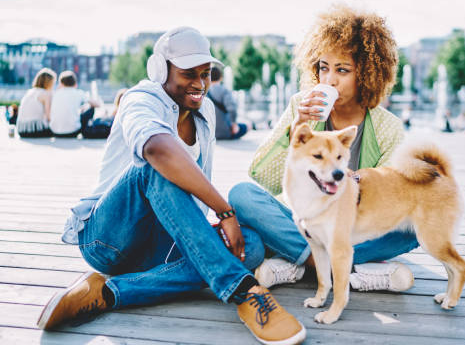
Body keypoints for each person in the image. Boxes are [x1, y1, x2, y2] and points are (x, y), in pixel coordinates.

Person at [37, 27, 306, 345]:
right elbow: (158, 150)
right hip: (108, 239)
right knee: (156, 169)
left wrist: (214, 224)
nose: (199, 84)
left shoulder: (202, 108)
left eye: (205, 74)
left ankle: (108, 293)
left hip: (160, 246)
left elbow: (189, 187)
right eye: (188, 73)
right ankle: (243, 290)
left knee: (249, 246)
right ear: (160, 70)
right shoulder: (141, 99)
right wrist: (224, 209)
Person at [229, 6, 417, 292]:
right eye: (323, 67)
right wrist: (297, 128)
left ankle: (296, 260)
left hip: (353, 227)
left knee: (412, 226)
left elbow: (390, 200)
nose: (329, 79)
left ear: (367, 74)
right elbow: (261, 174)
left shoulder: (388, 128)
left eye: (342, 70)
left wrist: (357, 182)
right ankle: (330, 263)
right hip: (302, 218)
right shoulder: (300, 107)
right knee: (241, 195)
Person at [49, 71, 101, 137]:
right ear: (74, 82)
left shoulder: (55, 93)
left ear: (61, 83)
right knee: (92, 108)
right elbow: (97, 104)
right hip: (73, 132)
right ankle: (84, 132)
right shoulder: (79, 93)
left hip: (55, 132)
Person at [207, 65, 248, 140]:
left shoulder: (204, 92)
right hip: (225, 132)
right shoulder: (224, 91)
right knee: (247, 126)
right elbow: (232, 109)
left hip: (209, 134)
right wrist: (234, 124)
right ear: (221, 78)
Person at [16, 68, 56, 138]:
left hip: (21, 130)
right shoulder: (46, 94)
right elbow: (48, 117)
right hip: (35, 130)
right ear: (49, 83)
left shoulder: (30, 92)